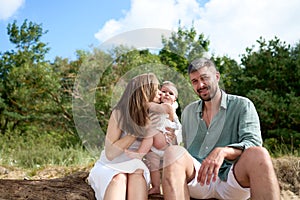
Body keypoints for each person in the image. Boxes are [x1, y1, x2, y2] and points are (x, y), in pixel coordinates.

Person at [161, 58, 280, 200]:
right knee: (173, 152)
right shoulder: (188, 112)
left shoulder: (242, 105)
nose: (201, 85)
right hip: (199, 179)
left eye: (204, 78)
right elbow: (183, 152)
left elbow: (253, 142)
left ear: (217, 77)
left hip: (232, 178)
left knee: (259, 154)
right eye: (195, 81)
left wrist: (224, 151)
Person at [87, 73, 161, 200]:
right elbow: (110, 153)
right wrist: (137, 130)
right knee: (118, 178)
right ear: (145, 92)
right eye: (156, 88)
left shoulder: (156, 115)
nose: (160, 92)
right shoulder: (119, 113)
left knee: (137, 174)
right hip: (111, 164)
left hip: (135, 165)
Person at [129, 81, 182, 195]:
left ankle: (139, 154)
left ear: (175, 100)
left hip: (165, 142)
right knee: (153, 166)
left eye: (170, 93)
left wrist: (143, 102)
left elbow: (153, 107)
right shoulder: (160, 106)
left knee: (151, 131)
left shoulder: (167, 106)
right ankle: (156, 187)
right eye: (163, 92)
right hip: (155, 147)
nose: (167, 94)